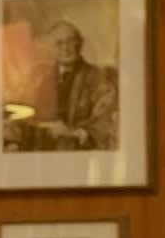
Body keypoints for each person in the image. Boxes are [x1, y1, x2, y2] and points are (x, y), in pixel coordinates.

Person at [17, 19, 119, 150]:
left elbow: (105, 121)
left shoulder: (98, 78)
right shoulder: (37, 77)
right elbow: (20, 112)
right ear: (50, 48)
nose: (65, 48)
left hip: (78, 153)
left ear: (80, 43)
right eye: (59, 43)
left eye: (70, 41)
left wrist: (73, 133)